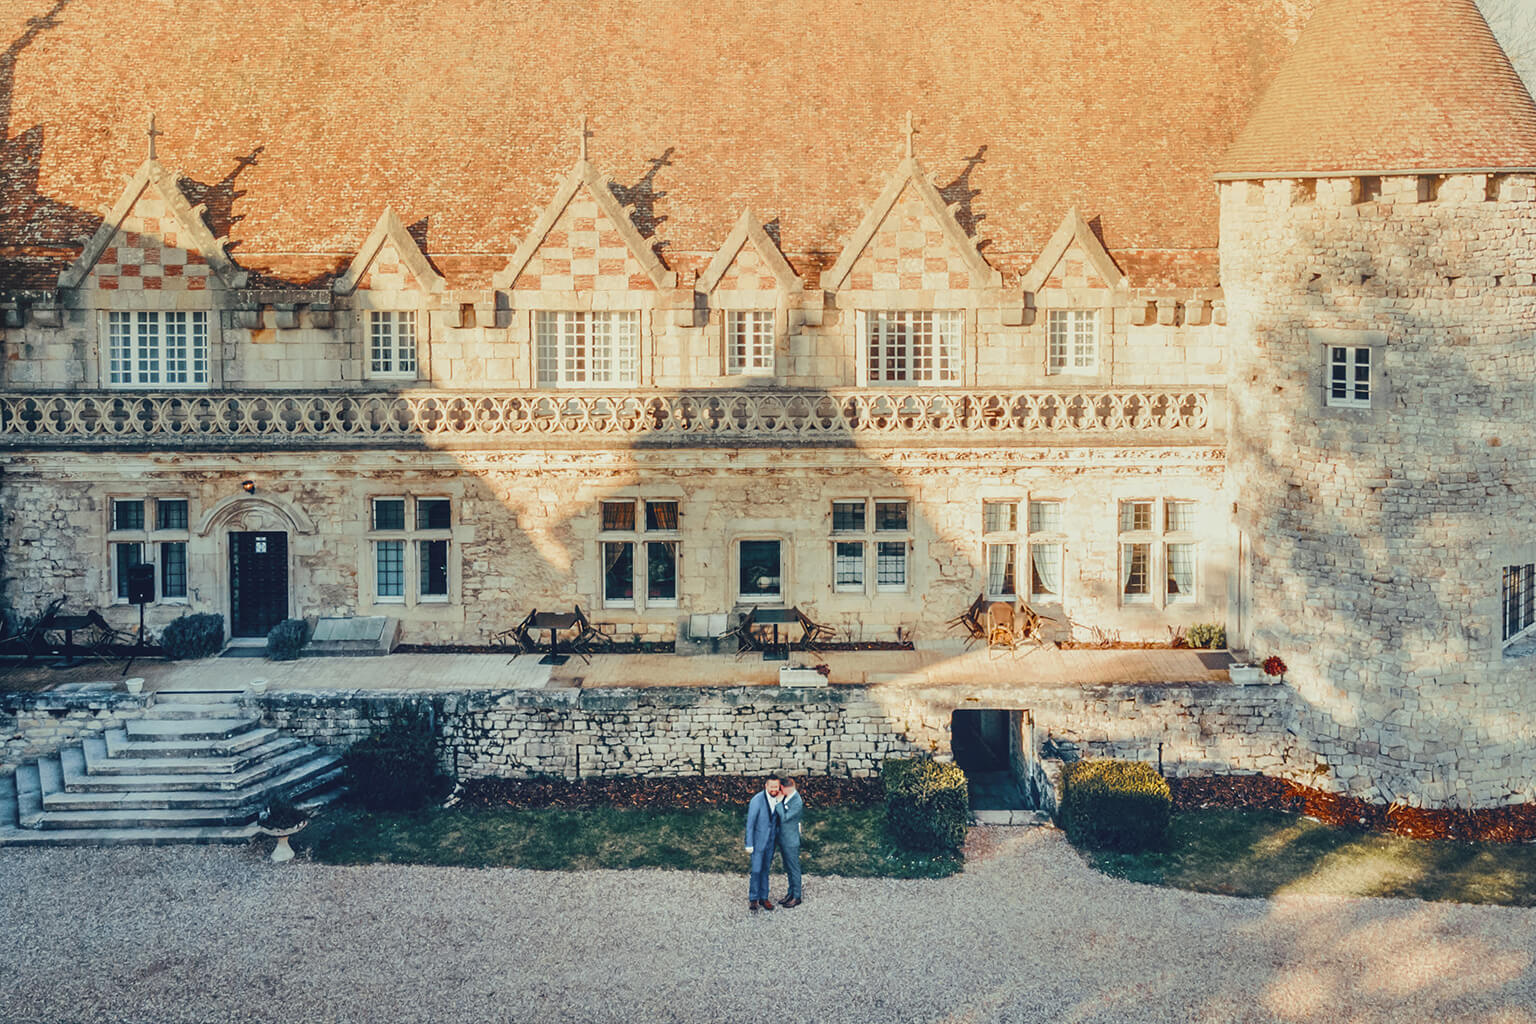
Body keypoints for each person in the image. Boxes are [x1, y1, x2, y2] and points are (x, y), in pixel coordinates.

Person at [744, 774, 782, 912]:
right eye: (771, 786)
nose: (774, 789)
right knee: (756, 870)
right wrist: (749, 843)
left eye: (776, 786)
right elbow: (750, 824)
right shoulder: (757, 800)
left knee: (765, 870)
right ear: (766, 786)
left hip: (771, 842)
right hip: (758, 842)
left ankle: (764, 897)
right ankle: (753, 898)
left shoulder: (779, 798)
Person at [775, 776, 803, 907]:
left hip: (790, 840)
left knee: (794, 868)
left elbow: (784, 818)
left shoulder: (797, 801)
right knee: (788, 868)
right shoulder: (788, 796)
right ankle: (790, 893)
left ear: (786, 788)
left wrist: (778, 802)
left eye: (781, 788)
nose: (779, 791)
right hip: (783, 838)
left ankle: (797, 896)